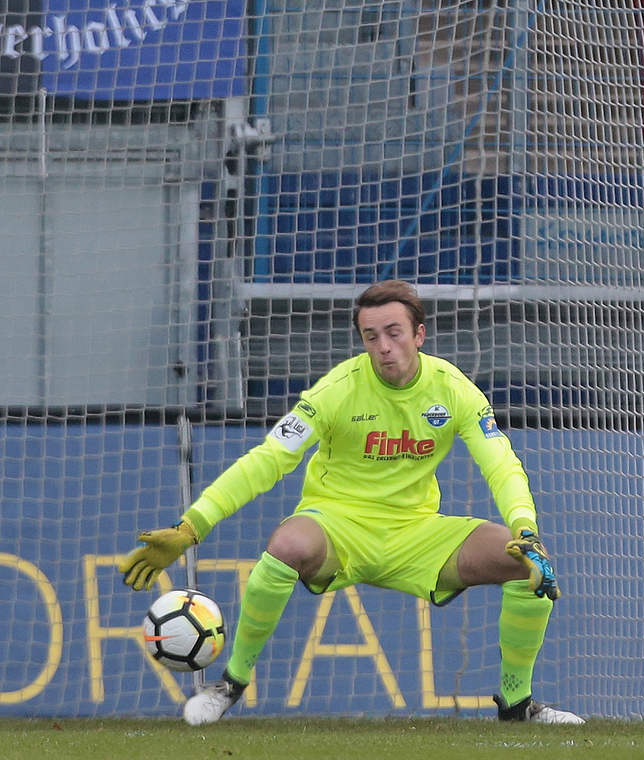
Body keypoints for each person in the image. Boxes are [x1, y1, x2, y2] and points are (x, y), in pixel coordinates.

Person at [119, 279, 583, 726]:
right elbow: (268, 460)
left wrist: (525, 528)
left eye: (394, 333)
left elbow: (500, 463)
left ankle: (517, 704)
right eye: (371, 336)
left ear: (419, 335)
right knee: (287, 546)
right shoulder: (337, 389)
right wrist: (192, 526)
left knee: (528, 562)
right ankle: (230, 685)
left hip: (417, 533)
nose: (383, 346)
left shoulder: (453, 388)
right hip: (338, 527)